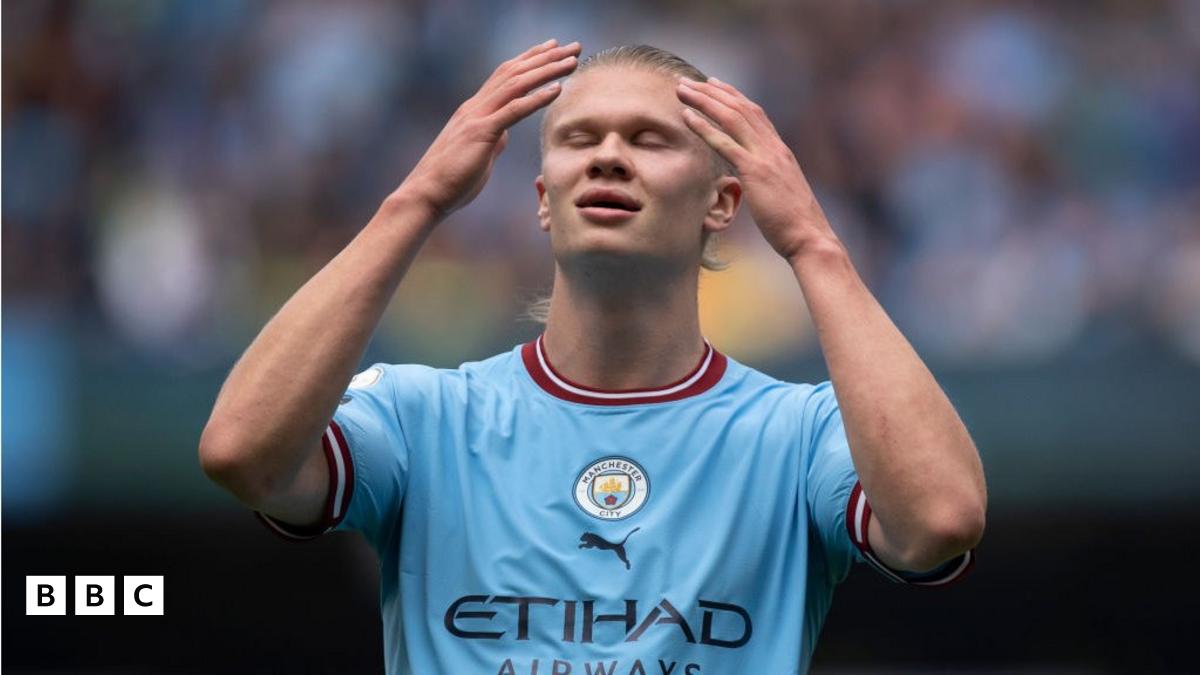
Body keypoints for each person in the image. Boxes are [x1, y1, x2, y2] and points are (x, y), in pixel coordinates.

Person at [200, 40, 986, 675]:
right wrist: (417, 201)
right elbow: (243, 453)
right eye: (579, 138)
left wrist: (812, 244)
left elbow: (941, 519)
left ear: (722, 201)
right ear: (544, 199)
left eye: (649, 139)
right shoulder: (423, 418)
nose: (608, 157)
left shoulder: (798, 436)